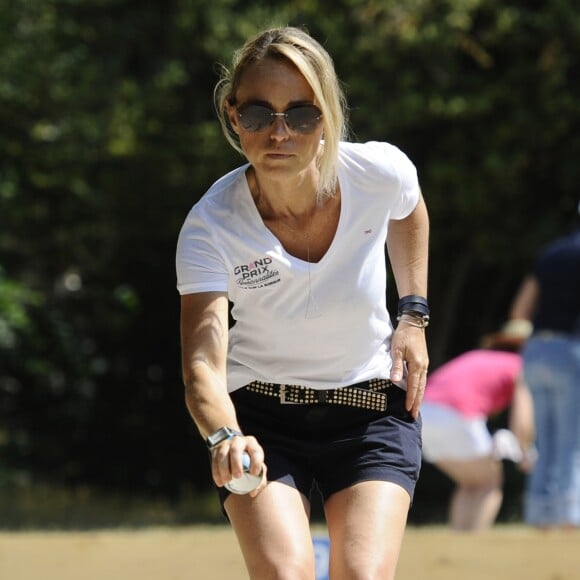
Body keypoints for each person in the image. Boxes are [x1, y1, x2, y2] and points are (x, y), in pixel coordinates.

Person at [176, 26, 429, 579]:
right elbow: (202, 363)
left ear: (328, 115)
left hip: (370, 413)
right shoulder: (210, 226)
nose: (280, 132)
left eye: (302, 113)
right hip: (260, 423)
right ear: (232, 112)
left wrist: (413, 314)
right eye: (260, 113)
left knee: (360, 574)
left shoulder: (377, 172)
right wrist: (225, 435)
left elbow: (409, 208)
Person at [420, 320, 536, 532]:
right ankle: (474, 544)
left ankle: (459, 542)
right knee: (490, 482)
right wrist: (524, 450)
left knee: (471, 482)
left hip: (423, 415)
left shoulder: (479, 356)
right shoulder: (518, 365)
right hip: (456, 415)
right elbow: (521, 418)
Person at [509, 212, 580, 529]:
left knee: (547, 440)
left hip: (537, 351)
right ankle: (568, 515)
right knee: (572, 440)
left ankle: (538, 516)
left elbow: (520, 312)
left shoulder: (549, 253)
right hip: (572, 350)